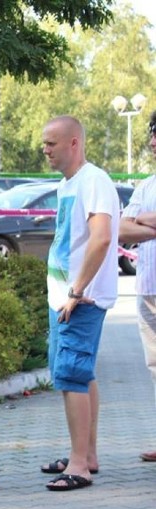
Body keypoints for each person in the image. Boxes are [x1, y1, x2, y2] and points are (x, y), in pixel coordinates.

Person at [40, 115, 119, 491]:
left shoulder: (94, 180)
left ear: (74, 143)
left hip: (80, 298)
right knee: (77, 372)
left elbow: (102, 238)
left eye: (52, 143)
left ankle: (78, 466)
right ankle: (85, 453)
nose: (45, 149)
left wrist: (76, 290)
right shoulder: (67, 185)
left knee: (72, 373)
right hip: (65, 296)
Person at [119, 112, 156, 463]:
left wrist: (142, 219)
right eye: (152, 134)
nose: (153, 141)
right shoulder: (146, 186)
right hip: (147, 288)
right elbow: (122, 230)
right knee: (154, 365)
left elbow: (135, 223)